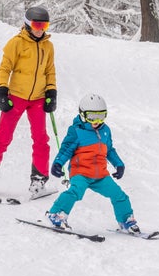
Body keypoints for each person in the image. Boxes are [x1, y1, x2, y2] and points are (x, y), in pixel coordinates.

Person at [0, 6, 57, 197]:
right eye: (37, 24)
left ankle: (38, 181)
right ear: (28, 24)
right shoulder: (16, 43)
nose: (41, 29)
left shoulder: (48, 46)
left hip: (38, 98)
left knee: (41, 140)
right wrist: (2, 92)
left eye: (44, 25)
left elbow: (50, 71)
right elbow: (4, 68)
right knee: (3, 137)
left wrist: (51, 93)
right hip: (16, 97)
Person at [46, 93, 139, 233]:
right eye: (92, 116)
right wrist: (58, 163)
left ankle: (126, 220)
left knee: (119, 195)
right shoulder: (76, 131)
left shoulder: (105, 130)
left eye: (101, 116)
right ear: (83, 115)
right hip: (81, 172)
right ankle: (56, 214)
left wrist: (119, 164)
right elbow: (66, 149)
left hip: (100, 174)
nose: (97, 121)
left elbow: (110, 150)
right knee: (75, 192)